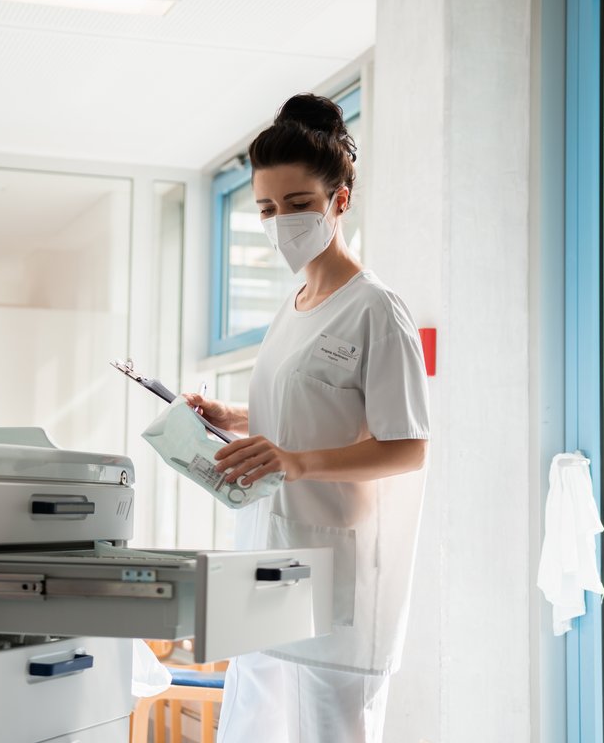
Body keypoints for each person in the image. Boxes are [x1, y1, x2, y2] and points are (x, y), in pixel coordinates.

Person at [184, 94, 431, 743]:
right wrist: (229, 417)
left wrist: (297, 463)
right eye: (266, 209)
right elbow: (303, 414)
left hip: (334, 570)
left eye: (297, 206)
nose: (279, 221)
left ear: (339, 201)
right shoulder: (292, 308)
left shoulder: (376, 309)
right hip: (267, 558)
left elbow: (407, 448)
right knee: (253, 725)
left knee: (325, 731)